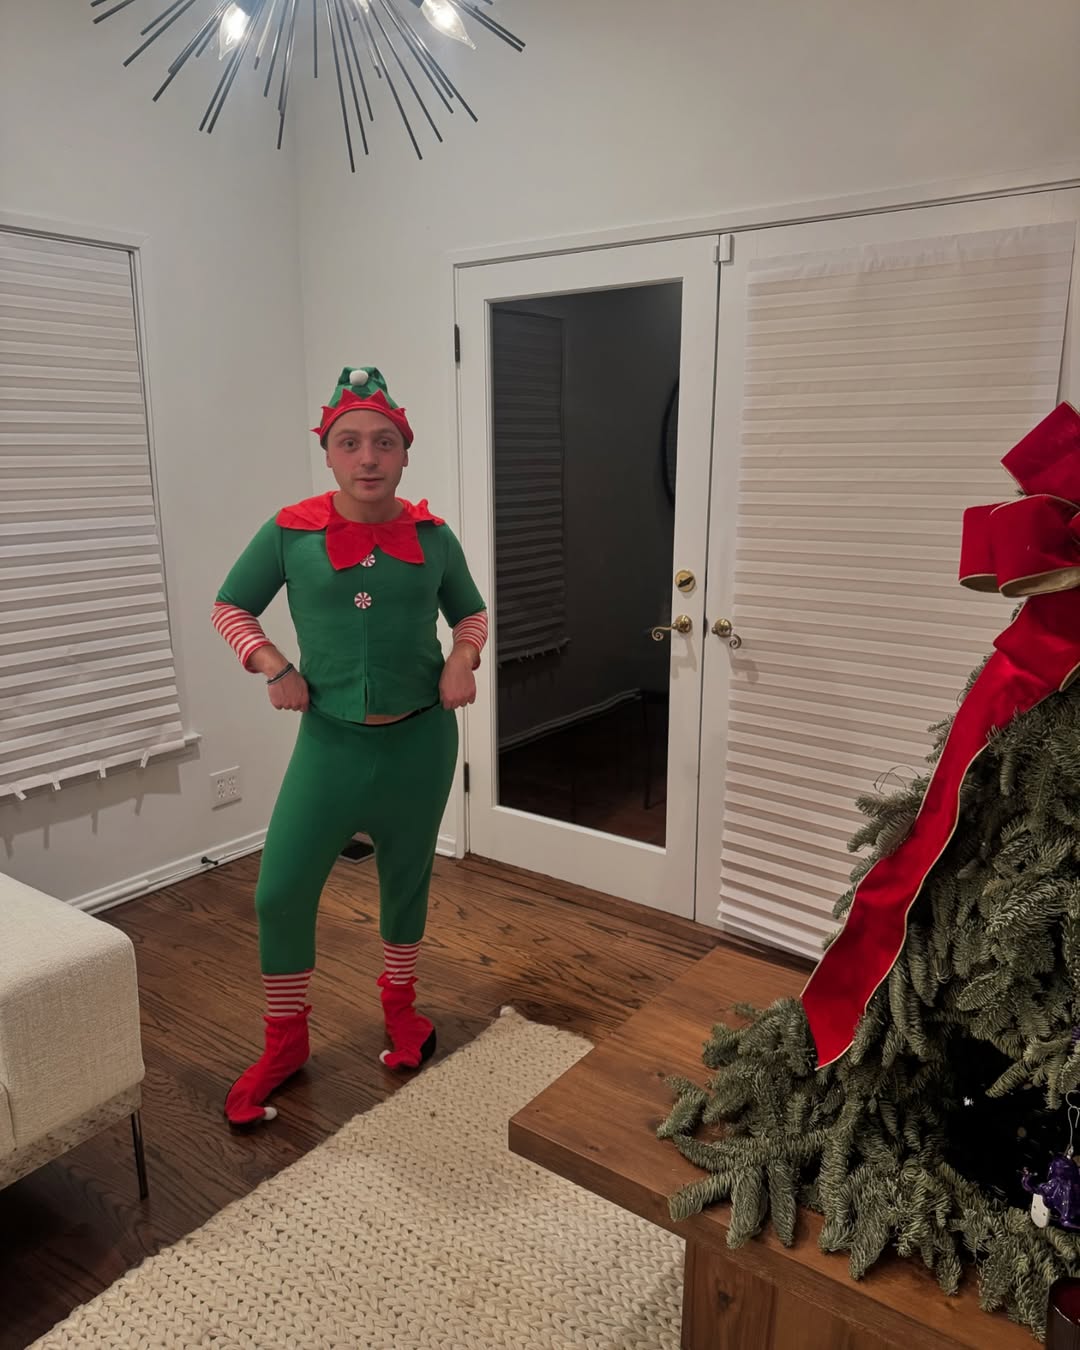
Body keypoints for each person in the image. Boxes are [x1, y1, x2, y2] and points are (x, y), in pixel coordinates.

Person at [211, 366, 487, 1126]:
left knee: (406, 882)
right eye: (350, 443)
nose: (368, 457)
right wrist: (272, 665)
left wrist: (463, 659)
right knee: (280, 892)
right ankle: (285, 1042)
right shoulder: (289, 531)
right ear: (328, 453)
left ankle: (403, 1011)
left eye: (384, 442)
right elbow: (230, 605)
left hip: (420, 745)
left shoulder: (433, 537)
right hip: (329, 746)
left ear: (405, 452)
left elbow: (471, 614)